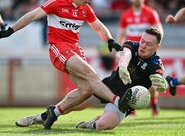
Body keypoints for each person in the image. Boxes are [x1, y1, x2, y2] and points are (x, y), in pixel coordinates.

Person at [0, 0, 132, 129]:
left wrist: (110, 40)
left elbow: (99, 27)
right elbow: (33, 15)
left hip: (74, 49)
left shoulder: (85, 9)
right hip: (58, 48)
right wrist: (11, 30)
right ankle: (118, 101)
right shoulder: (57, 2)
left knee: (87, 90)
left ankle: (49, 114)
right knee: (91, 75)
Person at [15, 27, 166, 130]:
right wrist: (123, 66)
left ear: (157, 47)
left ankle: (91, 124)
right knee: (73, 105)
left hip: (123, 104)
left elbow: (158, 77)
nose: (143, 45)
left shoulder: (155, 64)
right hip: (108, 88)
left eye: (148, 44)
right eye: (143, 41)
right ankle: (37, 118)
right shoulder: (133, 45)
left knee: (103, 126)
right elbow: (125, 55)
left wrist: (159, 82)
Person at [117, 0, 164, 116]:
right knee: (130, 79)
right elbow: (121, 35)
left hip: (147, 53)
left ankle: (154, 101)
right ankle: (132, 106)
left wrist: (155, 46)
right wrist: (121, 52)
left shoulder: (150, 13)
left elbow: (159, 30)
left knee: (151, 80)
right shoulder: (125, 15)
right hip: (133, 53)